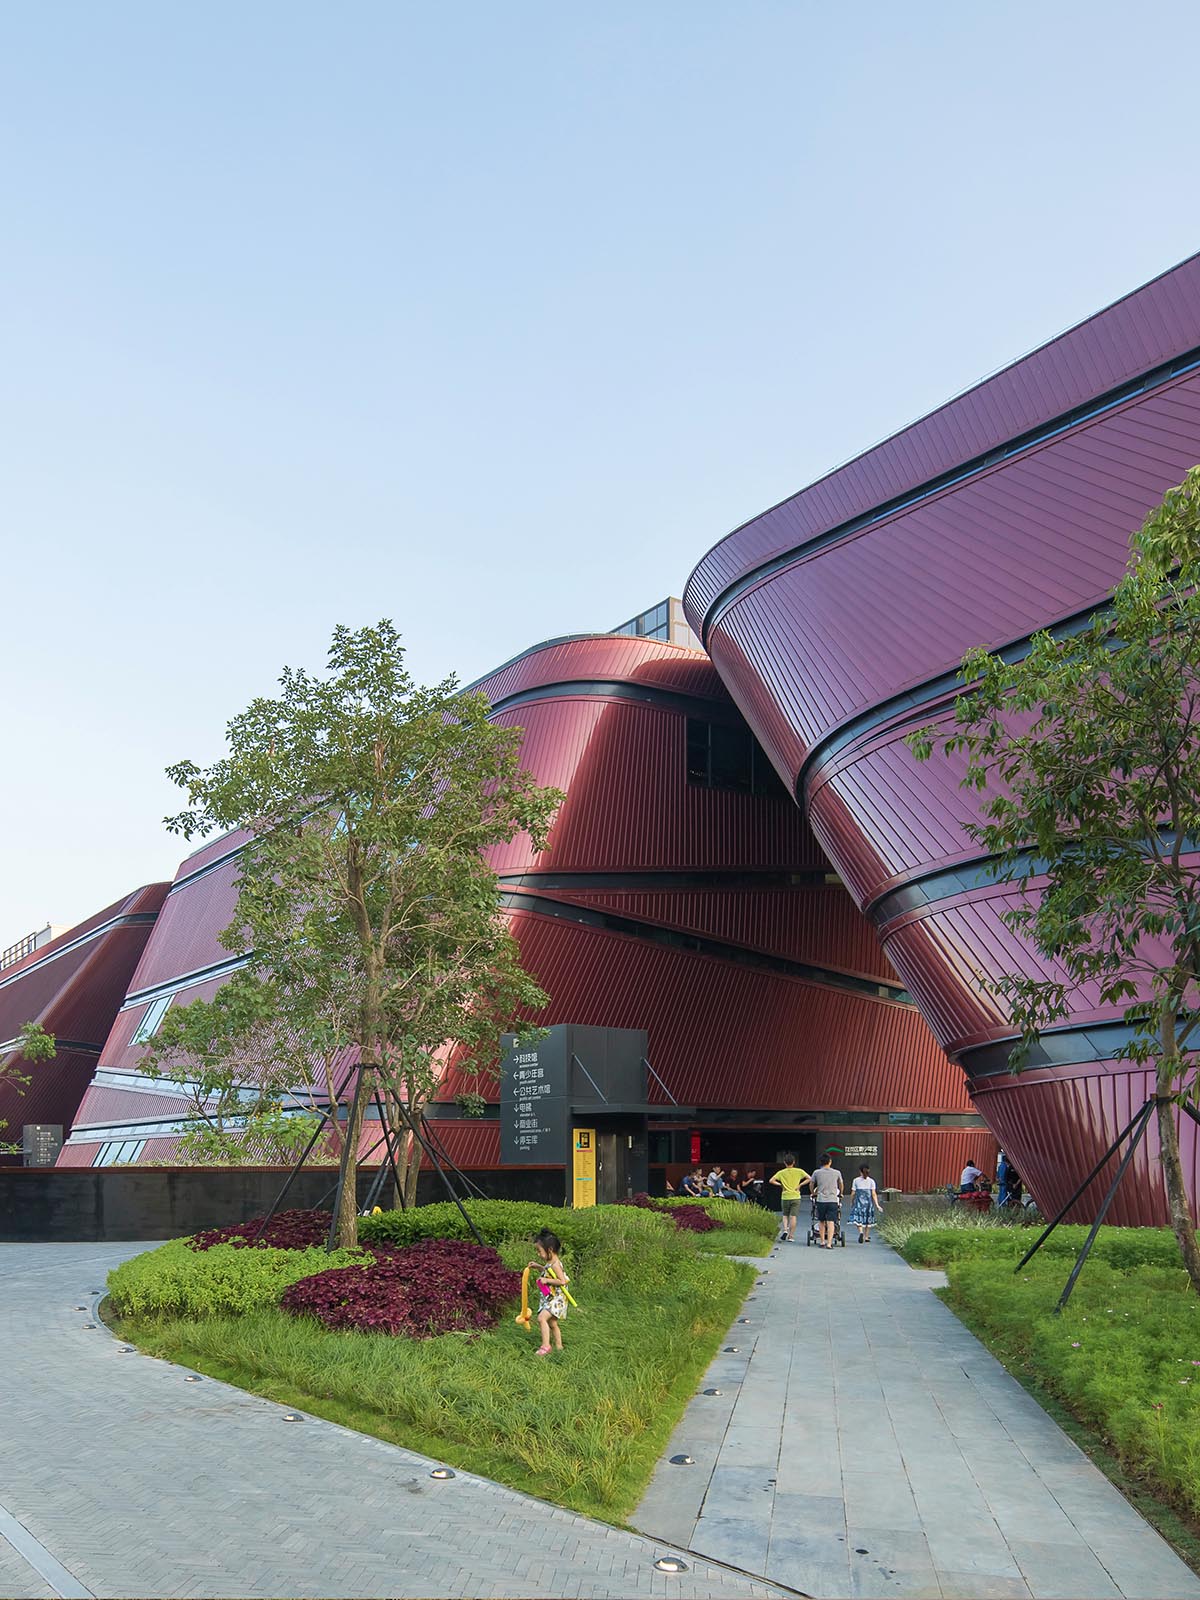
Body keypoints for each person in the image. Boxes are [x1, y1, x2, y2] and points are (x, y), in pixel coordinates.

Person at [530, 1227, 569, 1356]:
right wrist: (538, 1267)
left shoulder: (556, 1264)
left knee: (541, 1318)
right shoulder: (549, 1263)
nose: (538, 1254)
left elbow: (562, 1281)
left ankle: (546, 1346)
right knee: (552, 1322)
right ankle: (559, 1347)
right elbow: (547, 1273)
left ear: (550, 1250)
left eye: (539, 1251)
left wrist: (547, 1281)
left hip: (557, 1298)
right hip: (552, 1297)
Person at [768, 1153, 812, 1241]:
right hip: (796, 1196)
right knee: (793, 1216)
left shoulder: (781, 1173)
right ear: (794, 1162)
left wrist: (780, 1184)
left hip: (785, 1196)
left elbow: (771, 1180)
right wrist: (800, 1185)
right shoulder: (799, 1171)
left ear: (784, 1162)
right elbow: (809, 1178)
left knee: (785, 1215)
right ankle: (791, 1236)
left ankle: (785, 1230)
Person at [811, 1153, 844, 1248]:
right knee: (831, 1222)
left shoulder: (816, 1172)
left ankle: (822, 1241)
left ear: (821, 1162)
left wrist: (813, 1193)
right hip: (833, 1200)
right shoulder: (837, 1173)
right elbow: (841, 1184)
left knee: (821, 1221)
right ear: (830, 1162)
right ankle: (829, 1243)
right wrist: (841, 1193)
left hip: (821, 1200)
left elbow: (811, 1184)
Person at [848, 1164, 882, 1243]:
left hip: (859, 1203)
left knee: (858, 1218)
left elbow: (853, 1193)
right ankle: (866, 1237)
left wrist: (852, 1202)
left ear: (860, 1171)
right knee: (868, 1219)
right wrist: (877, 1205)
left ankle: (861, 1232)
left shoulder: (856, 1180)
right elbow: (873, 1194)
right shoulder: (871, 1181)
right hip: (868, 1203)